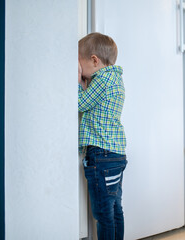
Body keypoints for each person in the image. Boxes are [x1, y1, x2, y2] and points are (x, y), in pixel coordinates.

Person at [78, 32, 127, 240]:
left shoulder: (102, 79)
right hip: (116, 154)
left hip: (101, 156)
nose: (81, 71)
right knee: (115, 208)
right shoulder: (115, 79)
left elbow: (81, 103)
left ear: (94, 60)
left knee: (103, 213)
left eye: (81, 65)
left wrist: (78, 82)